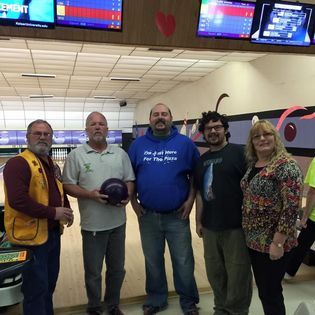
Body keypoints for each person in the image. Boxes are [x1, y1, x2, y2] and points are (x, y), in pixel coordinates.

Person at [128, 103, 200, 315]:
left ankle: (188, 301)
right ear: (150, 119)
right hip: (148, 215)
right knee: (153, 261)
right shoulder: (137, 145)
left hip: (178, 215)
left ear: (171, 118)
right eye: (156, 114)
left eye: (164, 114)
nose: (160, 118)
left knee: (184, 261)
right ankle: (156, 299)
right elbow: (129, 176)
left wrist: (191, 200)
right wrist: (133, 202)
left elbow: (196, 175)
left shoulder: (185, 144)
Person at [62, 111, 135, 315]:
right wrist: (89, 195)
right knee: (93, 272)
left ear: (107, 129)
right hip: (92, 225)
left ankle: (112, 305)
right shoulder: (76, 155)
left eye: (101, 124)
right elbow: (67, 185)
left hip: (118, 223)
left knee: (117, 269)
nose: (97, 127)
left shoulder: (120, 154)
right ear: (86, 130)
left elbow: (129, 179)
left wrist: (127, 195)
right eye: (92, 124)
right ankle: (94, 307)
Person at [3, 119, 74, 315]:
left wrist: (66, 208)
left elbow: (59, 190)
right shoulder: (17, 164)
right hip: (30, 239)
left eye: (47, 134)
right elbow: (18, 201)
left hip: (50, 234)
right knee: (35, 290)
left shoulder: (51, 163)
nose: (43, 137)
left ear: (52, 138)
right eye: (37, 133)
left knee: (48, 285)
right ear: (27, 137)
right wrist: (54, 212)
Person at [241, 119, 303, 315]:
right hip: (254, 241)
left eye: (267, 134)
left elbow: (291, 207)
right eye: (256, 136)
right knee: (266, 291)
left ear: (275, 138)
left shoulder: (286, 166)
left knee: (270, 292)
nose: (262, 139)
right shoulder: (254, 164)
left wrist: (277, 243)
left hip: (273, 242)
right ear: (252, 142)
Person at [194, 111, 252, 315]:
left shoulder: (241, 153)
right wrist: (197, 221)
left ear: (225, 130)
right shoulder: (201, 161)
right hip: (210, 227)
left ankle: (237, 311)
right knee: (215, 272)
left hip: (236, 226)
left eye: (217, 127)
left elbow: (252, 188)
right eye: (208, 128)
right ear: (203, 133)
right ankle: (221, 307)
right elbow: (200, 193)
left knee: (238, 273)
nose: (213, 131)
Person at [285, 157, 315, 278]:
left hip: (314, 217)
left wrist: (304, 217)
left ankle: (289, 272)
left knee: (302, 244)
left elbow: (313, 192)